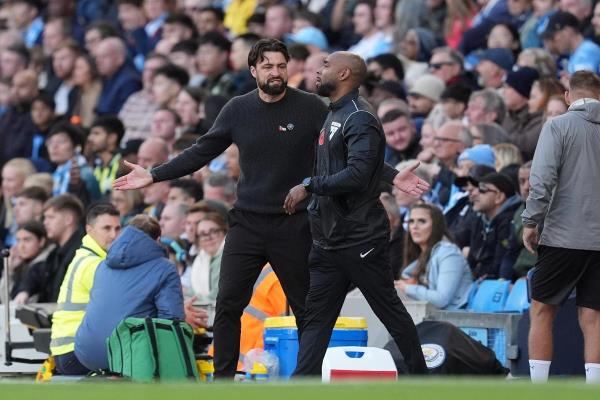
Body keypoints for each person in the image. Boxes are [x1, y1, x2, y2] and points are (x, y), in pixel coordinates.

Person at [113, 39, 424, 378]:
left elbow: (350, 154)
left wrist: (393, 177)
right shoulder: (237, 109)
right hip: (247, 223)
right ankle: (222, 383)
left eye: (281, 66)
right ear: (253, 70)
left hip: (295, 224)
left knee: (308, 311)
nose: (275, 72)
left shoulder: (312, 107)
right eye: (267, 66)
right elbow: (201, 151)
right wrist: (154, 174)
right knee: (228, 305)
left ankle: (308, 382)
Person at [283, 51, 428, 376]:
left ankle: (421, 379)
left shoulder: (359, 116)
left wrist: (309, 185)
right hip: (328, 239)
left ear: (344, 74)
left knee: (389, 310)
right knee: (316, 318)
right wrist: (391, 174)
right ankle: (301, 384)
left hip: (359, 238)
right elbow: (358, 161)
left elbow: (358, 175)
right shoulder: (335, 112)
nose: (317, 70)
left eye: (325, 65)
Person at [522, 71, 600, 384]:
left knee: (542, 311)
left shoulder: (558, 125)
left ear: (568, 96)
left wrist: (531, 221)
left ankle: (539, 387)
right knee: (594, 316)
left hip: (563, 236)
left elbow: (541, 180)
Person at [75, 215, 185, 371]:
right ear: (158, 240)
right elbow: (171, 322)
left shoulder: (102, 265)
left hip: (86, 353)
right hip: (130, 356)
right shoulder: (165, 268)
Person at [50, 203, 121, 375]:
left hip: (70, 351)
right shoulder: (93, 264)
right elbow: (122, 304)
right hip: (76, 353)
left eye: (118, 228)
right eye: (106, 228)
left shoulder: (88, 257)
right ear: (89, 230)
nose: (114, 235)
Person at [396, 203, 472, 310]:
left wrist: (407, 288)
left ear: (436, 226)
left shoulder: (449, 253)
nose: (414, 226)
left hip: (456, 317)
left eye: (422, 221)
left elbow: (442, 299)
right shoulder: (420, 256)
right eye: (411, 221)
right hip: (430, 317)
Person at [189, 212, 228, 303]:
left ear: (224, 232)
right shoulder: (200, 260)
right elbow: (191, 293)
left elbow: (216, 297)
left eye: (213, 231)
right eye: (202, 234)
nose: (208, 237)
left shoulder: (229, 258)